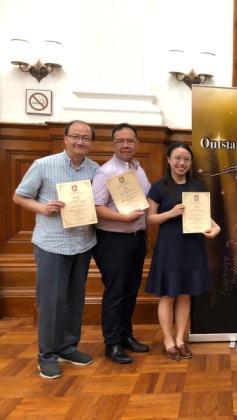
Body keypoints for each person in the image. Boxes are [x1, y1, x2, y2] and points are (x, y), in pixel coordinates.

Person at [13, 120, 99, 379]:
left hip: (82, 243)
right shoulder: (43, 165)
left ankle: (68, 348)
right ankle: (47, 355)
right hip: (52, 244)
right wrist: (42, 208)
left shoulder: (95, 169)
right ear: (65, 138)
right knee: (51, 301)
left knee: (75, 300)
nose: (80, 142)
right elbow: (19, 196)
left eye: (86, 138)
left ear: (91, 143)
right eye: (75, 136)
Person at [145, 142, 220, 361]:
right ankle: (168, 341)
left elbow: (203, 215)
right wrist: (170, 213)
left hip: (192, 245)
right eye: (177, 158)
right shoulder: (158, 187)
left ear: (191, 162)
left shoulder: (198, 187)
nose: (182, 163)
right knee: (169, 295)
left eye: (186, 159)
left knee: (186, 294)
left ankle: (180, 339)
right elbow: (150, 219)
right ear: (168, 159)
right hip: (169, 246)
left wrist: (216, 227)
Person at [91, 123, 151, 364]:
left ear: (137, 144)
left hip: (136, 239)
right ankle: (112, 343)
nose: (126, 145)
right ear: (113, 144)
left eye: (130, 141)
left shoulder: (139, 169)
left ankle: (126, 335)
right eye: (121, 141)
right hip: (113, 240)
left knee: (130, 290)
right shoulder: (105, 172)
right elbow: (96, 208)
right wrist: (123, 218)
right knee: (115, 292)